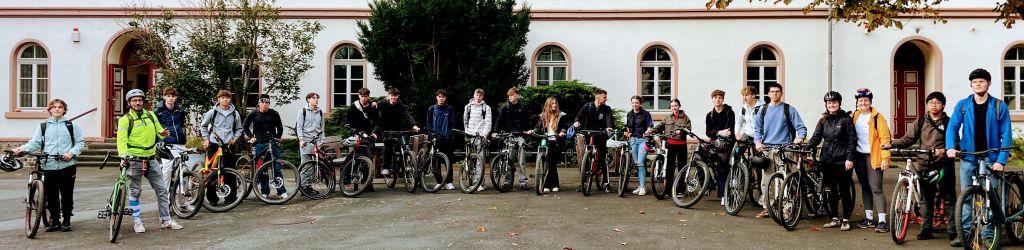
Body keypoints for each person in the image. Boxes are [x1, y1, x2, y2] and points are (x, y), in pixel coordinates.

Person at [945, 68, 1013, 247]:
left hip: (991, 158)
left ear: (988, 83)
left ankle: (989, 234)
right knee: (966, 197)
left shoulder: (999, 106)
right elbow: (952, 127)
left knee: (990, 196)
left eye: (981, 81)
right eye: (975, 82)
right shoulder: (963, 105)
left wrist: (1001, 160)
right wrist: (951, 147)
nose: (978, 84)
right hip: (969, 157)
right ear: (971, 85)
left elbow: (1006, 135)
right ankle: (965, 232)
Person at [884, 92, 955, 241]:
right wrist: (892, 144)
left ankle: (953, 230)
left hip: (943, 164)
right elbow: (908, 139)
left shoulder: (949, 122)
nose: (934, 105)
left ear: (943, 105)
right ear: (927, 105)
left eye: (937, 102)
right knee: (926, 198)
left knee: (948, 197)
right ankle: (926, 229)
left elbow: (956, 142)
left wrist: (944, 150)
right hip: (924, 163)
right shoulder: (921, 121)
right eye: (931, 102)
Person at [12, 99, 84, 232]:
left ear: (64, 110)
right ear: (50, 110)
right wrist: (20, 149)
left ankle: (66, 220)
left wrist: (71, 153)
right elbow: (35, 143)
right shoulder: (43, 126)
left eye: (60, 107)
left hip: (67, 165)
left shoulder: (72, 126)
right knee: (51, 195)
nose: (57, 109)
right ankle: (55, 221)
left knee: (67, 194)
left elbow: (80, 143)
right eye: (54, 107)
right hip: (48, 165)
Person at [116, 89, 182, 233]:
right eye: (134, 101)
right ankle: (137, 222)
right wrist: (123, 156)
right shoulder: (125, 119)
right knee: (135, 192)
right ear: (129, 103)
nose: (137, 103)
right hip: (134, 159)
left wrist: (163, 133)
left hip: (151, 159)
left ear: (143, 101)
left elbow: (159, 131)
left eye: (140, 100)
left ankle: (166, 220)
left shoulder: (151, 115)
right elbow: (121, 141)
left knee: (162, 190)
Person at [802, 91, 857, 231]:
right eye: (829, 103)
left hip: (842, 161)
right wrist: (805, 147)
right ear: (826, 104)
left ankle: (845, 219)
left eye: (834, 102)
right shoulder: (823, 121)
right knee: (830, 191)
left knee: (844, 190)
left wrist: (849, 158)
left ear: (839, 103)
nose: (832, 105)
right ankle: (834, 218)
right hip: (827, 161)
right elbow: (816, 138)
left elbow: (852, 140)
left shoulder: (846, 120)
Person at [753, 83, 808, 218]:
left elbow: (801, 127)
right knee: (767, 181)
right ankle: (769, 207)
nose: (775, 93)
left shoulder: (789, 109)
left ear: (781, 93)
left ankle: (787, 209)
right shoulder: (763, 110)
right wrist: (757, 142)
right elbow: (757, 129)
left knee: (786, 180)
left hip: (785, 149)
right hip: (768, 149)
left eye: (777, 91)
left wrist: (800, 138)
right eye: (772, 91)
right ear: (768, 94)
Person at [850, 88, 892, 233]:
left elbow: (885, 138)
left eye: (866, 100)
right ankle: (868, 218)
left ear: (870, 102)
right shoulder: (854, 116)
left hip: (873, 156)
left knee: (876, 188)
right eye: (860, 100)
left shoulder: (878, 118)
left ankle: (882, 221)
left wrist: (885, 158)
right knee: (865, 187)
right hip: (859, 156)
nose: (863, 103)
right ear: (857, 102)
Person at [199, 90, 243, 208]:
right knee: (212, 172)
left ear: (230, 99)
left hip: (228, 145)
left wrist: (235, 138)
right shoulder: (212, 112)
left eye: (227, 97)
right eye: (222, 97)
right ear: (218, 99)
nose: (225, 99)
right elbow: (203, 126)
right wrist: (206, 139)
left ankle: (231, 198)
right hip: (214, 144)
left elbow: (239, 128)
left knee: (230, 171)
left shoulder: (235, 113)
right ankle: (212, 198)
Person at [243, 94, 286, 199]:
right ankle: (265, 191)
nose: (265, 104)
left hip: (272, 142)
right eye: (262, 102)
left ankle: (281, 191)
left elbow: (280, 127)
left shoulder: (274, 113)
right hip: (260, 143)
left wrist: (278, 137)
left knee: (277, 168)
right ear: (259, 103)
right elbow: (245, 126)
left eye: (267, 102)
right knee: (263, 169)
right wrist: (251, 137)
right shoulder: (253, 113)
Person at [574, 89, 614, 193]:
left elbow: (609, 119)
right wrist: (577, 122)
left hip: (601, 135)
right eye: (604, 97)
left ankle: (606, 183)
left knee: (602, 159)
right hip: (589, 134)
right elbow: (579, 116)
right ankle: (583, 183)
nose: (606, 99)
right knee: (586, 159)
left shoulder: (606, 109)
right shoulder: (588, 106)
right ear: (597, 97)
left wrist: (609, 127)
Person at [377, 88, 420, 177]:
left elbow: (408, 116)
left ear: (398, 96)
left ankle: (400, 165)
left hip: (399, 130)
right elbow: (373, 108)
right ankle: (386, 167)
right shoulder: (383, 104)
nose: (393, 97)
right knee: (388, 147)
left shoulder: (401, 106)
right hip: (386, 131)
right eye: (392, 95)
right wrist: (373, 104)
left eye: (395, 96)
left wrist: (414, 125)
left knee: (403, 147)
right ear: (389, 96)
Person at [495, 87, 532, 190]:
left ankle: (523, 182)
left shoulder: (523, 107)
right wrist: (495, 131)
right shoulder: (505, 107)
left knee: (522, 161)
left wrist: (528, 131)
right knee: (509, 160)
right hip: (509, 135)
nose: (510, 97)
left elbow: (527, 121)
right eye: (509, 95)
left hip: (520, 135)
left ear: (517, 95)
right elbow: (499, 120)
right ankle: (508, 181)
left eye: (512, 95)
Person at [530, 97, 569, 193]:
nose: (554, 105)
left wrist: (562, 132)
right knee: (550, 164)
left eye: (556, 103)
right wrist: (533, 131)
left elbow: (565, 127)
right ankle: (554, 184)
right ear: (548, 105)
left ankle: (548, 184)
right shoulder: (543, 116)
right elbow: (537, 127)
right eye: (552, 103)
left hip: (556, 141)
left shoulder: (561, 116)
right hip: (546, 139)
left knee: (552, 163)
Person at [655, 98, 691, 198]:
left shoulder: (685, 117)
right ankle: (668, 190)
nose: (674, 108)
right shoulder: (668, 118)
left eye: (676, 105)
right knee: (669, 168)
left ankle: (680, 190)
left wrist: (682, 131)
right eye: (672, 106)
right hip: (670, 145)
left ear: (679, 106)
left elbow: (689, 129)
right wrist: (651, 130)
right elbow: (659, 126)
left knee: (681, 168)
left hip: (681, 145)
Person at [705, 90, 735, 203]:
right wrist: (719, 132)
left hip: (727, 142)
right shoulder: (710, 115)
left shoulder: (729, 112)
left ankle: (723, 195)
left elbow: (729, 131)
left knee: (723, 166)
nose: (718, 100)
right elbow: (708, 132)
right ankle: (706, 184)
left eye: (720, 98)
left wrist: (719, 133)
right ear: (712, 99)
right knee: (698, 156)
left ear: (723, 99)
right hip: (714, 142)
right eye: (715, 97)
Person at [153, 87, 187, 185]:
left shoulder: (180, 111)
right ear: (164, 97)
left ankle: (181, 190)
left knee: (183, 167)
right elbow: (154, 127)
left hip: (179, 141)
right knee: (167, 169)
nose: (171, 98)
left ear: (176, 97)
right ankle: (165, 192)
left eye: (173, 96)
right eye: (168, 96)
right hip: (165, 143)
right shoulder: (158, 111)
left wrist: (181, 134)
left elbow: (181, 124)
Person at [425, 89, 457, 190]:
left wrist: (449, 134)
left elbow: (453, 124)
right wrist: (432, 135)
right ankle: (439, 182)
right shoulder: (432, 109)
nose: (441, 98)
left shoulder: (450, 109)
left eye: (443, 97)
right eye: (439, 96)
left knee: (449, 161)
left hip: (447, 139)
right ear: (436, 97)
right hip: (435, 139)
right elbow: (428, 124)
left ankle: (449, 182)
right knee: (436, 161)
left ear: (445, 98)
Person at [463, 88, 493, 192]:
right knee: (470, 160)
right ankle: (472, 182)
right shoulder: (468, 107)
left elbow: (488, 123)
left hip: (480, 137)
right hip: (470, 136)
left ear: (482, 96)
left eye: (480, 95)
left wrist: (484, 135)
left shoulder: (486, 108)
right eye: (477, 95)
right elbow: (465, 121)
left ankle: (479, 183)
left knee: (480, 162)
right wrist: (467, 132)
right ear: (474, 95)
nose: (478, 97)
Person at [624, 95, 654, 195]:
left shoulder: (646, 113)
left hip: (643, 140)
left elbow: (650, 126)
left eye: (636, 103)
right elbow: (628, 127)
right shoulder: (629, 114)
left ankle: (642, 187)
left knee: (640, 163)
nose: (634, 104)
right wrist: (627, 135)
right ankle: (641, 185)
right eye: (633, 102)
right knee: (637, 163)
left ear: (640, 103)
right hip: (633, 140)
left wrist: (647, 131)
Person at [297, 93, 325, 163]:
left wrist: (322, 140)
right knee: (306, 164)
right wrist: (301, 140)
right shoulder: (302, 111)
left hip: (317, 142)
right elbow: (299, 127)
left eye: (317, 98)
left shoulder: (320, 112)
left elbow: (322, 128)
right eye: (314, 98)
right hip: (306, 142)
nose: (316, 100)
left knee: (319, 164)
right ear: (308, 100)